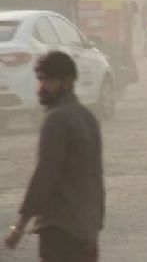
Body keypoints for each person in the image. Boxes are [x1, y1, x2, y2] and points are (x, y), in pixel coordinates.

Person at [4, 51, 104, 262]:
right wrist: (95, 224)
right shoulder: (86, 117)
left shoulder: (56, 120)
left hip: (61, 228)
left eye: (48, 80)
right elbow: (96, 176)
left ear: (67, 81)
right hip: (86, 228)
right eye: (39, 79)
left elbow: (45, 174)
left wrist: (20, 226)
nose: (41, 86)